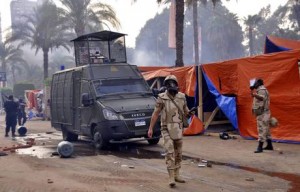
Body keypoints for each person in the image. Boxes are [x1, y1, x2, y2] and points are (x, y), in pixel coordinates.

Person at [148, 75, 193, 187]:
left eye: (173, 82)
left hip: (178, 129)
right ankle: (171, 177)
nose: (171, 85)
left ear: (176, 84)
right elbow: (156, 113)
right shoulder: (162, 97)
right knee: (169, 151)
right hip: (166, 128)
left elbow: (185, 111)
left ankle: (177, 174)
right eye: (169, 83)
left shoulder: (182, 97)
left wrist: (190, 113)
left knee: (178, 153)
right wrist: (150, 128)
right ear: (166, 85)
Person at [250, 78, 273, 153]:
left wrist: (255, 95)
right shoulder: (261, 89)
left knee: (261, 129)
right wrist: (253, 90)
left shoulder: (261, 90)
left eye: (255, 83)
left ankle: (260, 147)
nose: (254, 84)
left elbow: (262, 98)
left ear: (258, 83)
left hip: (262, 113)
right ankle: (269, 145)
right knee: (267, 130)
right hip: (264, 112)